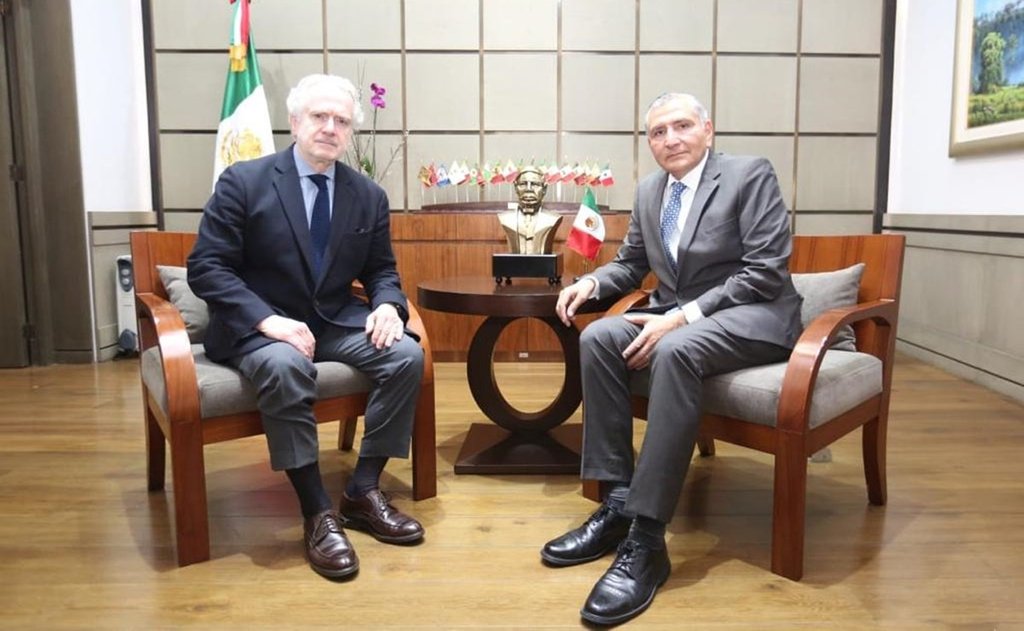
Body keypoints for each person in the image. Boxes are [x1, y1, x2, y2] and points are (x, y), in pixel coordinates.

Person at [544, 93, 803, 625]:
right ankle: (618, 502)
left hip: (753, 316)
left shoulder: (748, 174)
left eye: (682, 126)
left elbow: (765, 271)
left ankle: (647, 537)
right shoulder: (649, 191)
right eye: (658, 132)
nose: (671, 139)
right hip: (678, 314)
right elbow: (632, 263)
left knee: (675, 347)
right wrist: (593, 283)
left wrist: (683, 317)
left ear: (708, 129)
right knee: (598, 338)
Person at [188, 74, 425, 580]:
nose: (330, 128)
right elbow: (207, 267)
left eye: (342, 121)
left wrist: (389, 306)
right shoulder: (244, 181)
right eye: (319, 116)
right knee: (286, 365)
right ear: (295, 123)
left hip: (333, 320)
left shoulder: (367, 195)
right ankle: (317, 511)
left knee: (406, 354)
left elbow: (381, 271)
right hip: (260, 326)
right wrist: (267, 319)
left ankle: (362, 490)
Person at [497, 165, 563, 255]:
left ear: (544, 189)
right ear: (516, 188)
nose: (528, 189)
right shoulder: (505, 219)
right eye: (523, 184)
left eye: (535, 184)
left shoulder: (552, 219)